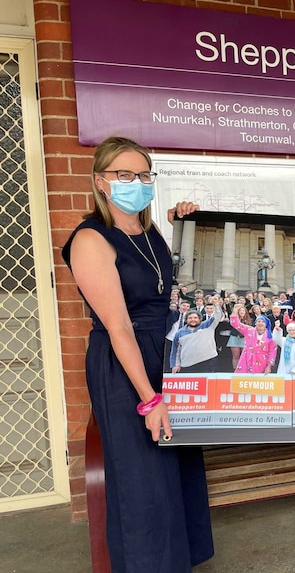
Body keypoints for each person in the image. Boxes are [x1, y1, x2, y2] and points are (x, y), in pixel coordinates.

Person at [61, 136, 213, 570]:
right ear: (100, 182)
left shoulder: (149, 231)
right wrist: (150, 398)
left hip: (163, 353)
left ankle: (178, 560)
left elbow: (166, 286)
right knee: (143, 479)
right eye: (124, 175)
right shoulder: (91, 239)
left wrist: (184, 224)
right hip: (125, 364)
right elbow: (119, 326)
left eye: (144, 175)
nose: (136, 182)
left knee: (176, 472)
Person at [230, 306, 278, 374]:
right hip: (246, 359)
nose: (260, 323)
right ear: (255, 323)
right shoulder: (248, 330)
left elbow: (272, 352)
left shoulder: (271, 336)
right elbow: (235, 324)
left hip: (262, 362)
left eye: (263, 322)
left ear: (266, 324)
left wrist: (269, 366)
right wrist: (235, 310)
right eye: (258, 321)